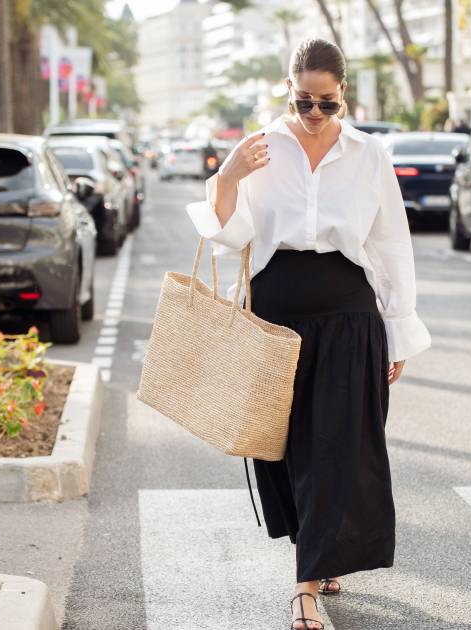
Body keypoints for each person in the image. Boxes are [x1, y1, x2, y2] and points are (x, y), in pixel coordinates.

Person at [185, 38, 431, 630]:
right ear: (288, 91)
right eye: (304, 102)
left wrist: (398, 330)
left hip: (349, 312)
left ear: (343, 93)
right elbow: (230, 232)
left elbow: (390, 243)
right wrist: (228, 174)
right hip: (276, 315)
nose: (315, 115)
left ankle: (305, 587)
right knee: (287, 446)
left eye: (327, 103)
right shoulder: (261, 149)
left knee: (338, 444)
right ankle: (320, 551)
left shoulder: (369, 155)